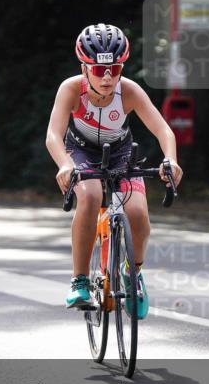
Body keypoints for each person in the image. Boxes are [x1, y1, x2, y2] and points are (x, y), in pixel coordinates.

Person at [45, 23, 184, 317]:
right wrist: (65, 164)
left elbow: (163, 130)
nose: (107, 78)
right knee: (92, 195)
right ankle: (79, 279)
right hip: (80, 151)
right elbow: (53, 136)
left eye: (115, 69)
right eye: (98, 70)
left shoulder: (129, 91)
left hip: (121, 152)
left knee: (137, 213)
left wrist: (170, 160)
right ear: (84, 69)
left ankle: (132, 274)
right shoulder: (71, 89)